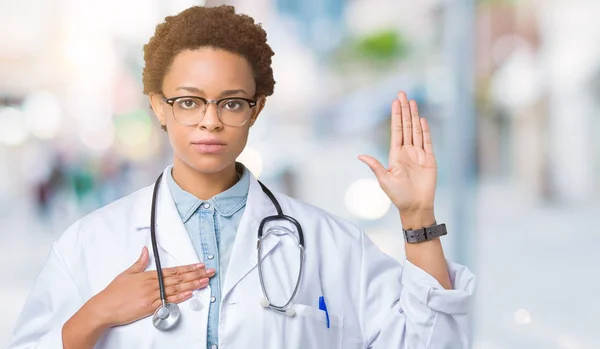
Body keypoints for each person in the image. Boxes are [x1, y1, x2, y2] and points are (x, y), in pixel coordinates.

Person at [7, 5, 475, 349]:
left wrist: (418, 217)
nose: (210, 121)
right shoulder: (89, 244)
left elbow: (431, 343)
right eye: (189, 101)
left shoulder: (332, 244)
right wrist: (94, 315)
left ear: (256, 109)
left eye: (231, 102)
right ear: (157, 106)